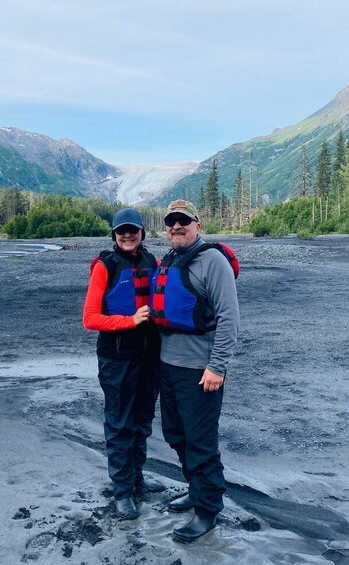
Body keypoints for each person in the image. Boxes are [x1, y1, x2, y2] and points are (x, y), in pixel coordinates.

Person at [149, 199, 240, 543]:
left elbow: (230, 317)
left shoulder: (212, 261)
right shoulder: (170, 260)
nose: (176, 227)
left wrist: (217, 366)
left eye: (183, 221)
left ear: (197, 225)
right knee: (176, 435)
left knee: (200, 443)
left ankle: (206, 511)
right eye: (171, 222)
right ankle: (196, 489)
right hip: (168, 367)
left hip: (200, 372)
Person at [83, 208, 165, 520]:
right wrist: (129, 321)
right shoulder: (105, 266)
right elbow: (90, 318)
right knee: (119, 425)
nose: (126, 236)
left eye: (132, 230)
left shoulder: (153, 262)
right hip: (116, 359)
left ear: (142, 232)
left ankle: (138, 478)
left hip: (149, 359)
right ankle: (122, 491)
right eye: (121, 231)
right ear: (114, 235)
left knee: (142, 421)